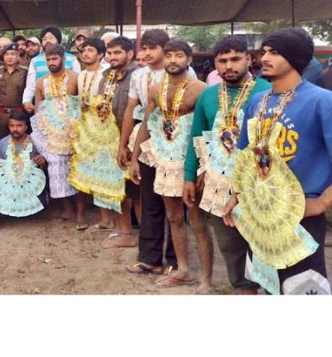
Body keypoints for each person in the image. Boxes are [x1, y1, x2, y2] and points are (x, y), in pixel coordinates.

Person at [223, 27, 332, 295]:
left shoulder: (322, 101)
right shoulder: (257, 102)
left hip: (300, 214)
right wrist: (236, 196)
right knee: (270, 285)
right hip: (260, 214)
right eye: (264, 52)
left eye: (275, 52)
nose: (265, 58)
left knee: (302, 288)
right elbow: (246, 155)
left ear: (295, 58)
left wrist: (323, 202)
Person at [183, 35, 271, 294]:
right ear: (215, 64)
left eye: (235, 59)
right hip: (219, 181)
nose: (228, 66)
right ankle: (243, 288)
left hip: (259, 182)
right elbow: (196, 138)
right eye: (222, 61)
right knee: (229, 241)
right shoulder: (208, 96)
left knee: (262, 240)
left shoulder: (266, 91)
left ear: (249, 59)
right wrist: (189, 177)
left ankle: (269, 289)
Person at [131, 39, 214, 293]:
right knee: (174, 216)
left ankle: (207, 280)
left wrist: (205, 168)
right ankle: (183, 269)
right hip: (164, 159)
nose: (172, 60)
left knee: (197, 220)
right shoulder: (156, 89)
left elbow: (211, 130)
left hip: (192, 161)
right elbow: (147, 122)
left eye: (179, 55)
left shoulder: (201, 89)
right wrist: (135, 158)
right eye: (169, 55)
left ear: (189, 59)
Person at [120, 29, 195, 275]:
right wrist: (129, 150)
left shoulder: (185, 74)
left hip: (178, 145)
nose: (147, 53)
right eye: (145, 48)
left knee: (175, 206)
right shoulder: (140, 76)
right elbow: (137, 112)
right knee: (149, 201)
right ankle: (150, 259)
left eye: (154, 48)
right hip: (150, 143)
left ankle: (175, 260)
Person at [69, 37, 139, 244]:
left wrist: (127, 142)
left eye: (118, 52)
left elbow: (137, 110)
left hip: (131, 136)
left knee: (134, 191)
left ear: (130, 54)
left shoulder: (138, 75)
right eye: (110, 53)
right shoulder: (107, 76)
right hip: (107, 137)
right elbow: (101, 104)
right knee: (114, 186)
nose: (113, 57)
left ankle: (139, 237)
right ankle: (122, 230)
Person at [30, 44, 83, 225]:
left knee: (77, 170)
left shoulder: (76, 78)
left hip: (74, 132)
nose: (51, 63)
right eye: (48, 60)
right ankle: (67, 210)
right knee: (56, 171)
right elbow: (38, 111)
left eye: (54, 59)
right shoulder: (40, 82)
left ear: (63, 58)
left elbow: (83, 106)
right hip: (52, 134)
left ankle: (81, 212)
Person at [0, 112, 47, 220]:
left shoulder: (34, 141)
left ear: (26, 127)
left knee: (41, 205)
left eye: (19, 125)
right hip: (10, 183)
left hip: (29, 183)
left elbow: (43, 164)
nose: (15, 129)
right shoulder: (3, 143)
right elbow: (1, 168)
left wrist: (42, 160)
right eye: (12, 126)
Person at [22, 26, 81, 114]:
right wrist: (26, 101)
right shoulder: (35, 61)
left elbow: (79, 87)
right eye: (44, 39)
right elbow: (31, 86)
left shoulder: (72, 59)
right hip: (47, 112)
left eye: (51, 38)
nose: (47, 41)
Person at [0, 44, 28, 140]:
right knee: (1, 140)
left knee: (19, 140)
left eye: (13, 54)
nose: (9, 57)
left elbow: (27, 91)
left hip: (18, 114)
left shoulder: (24, 72)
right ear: (3, 57)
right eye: (7, 54)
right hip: (1, 115)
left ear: (17, 56)